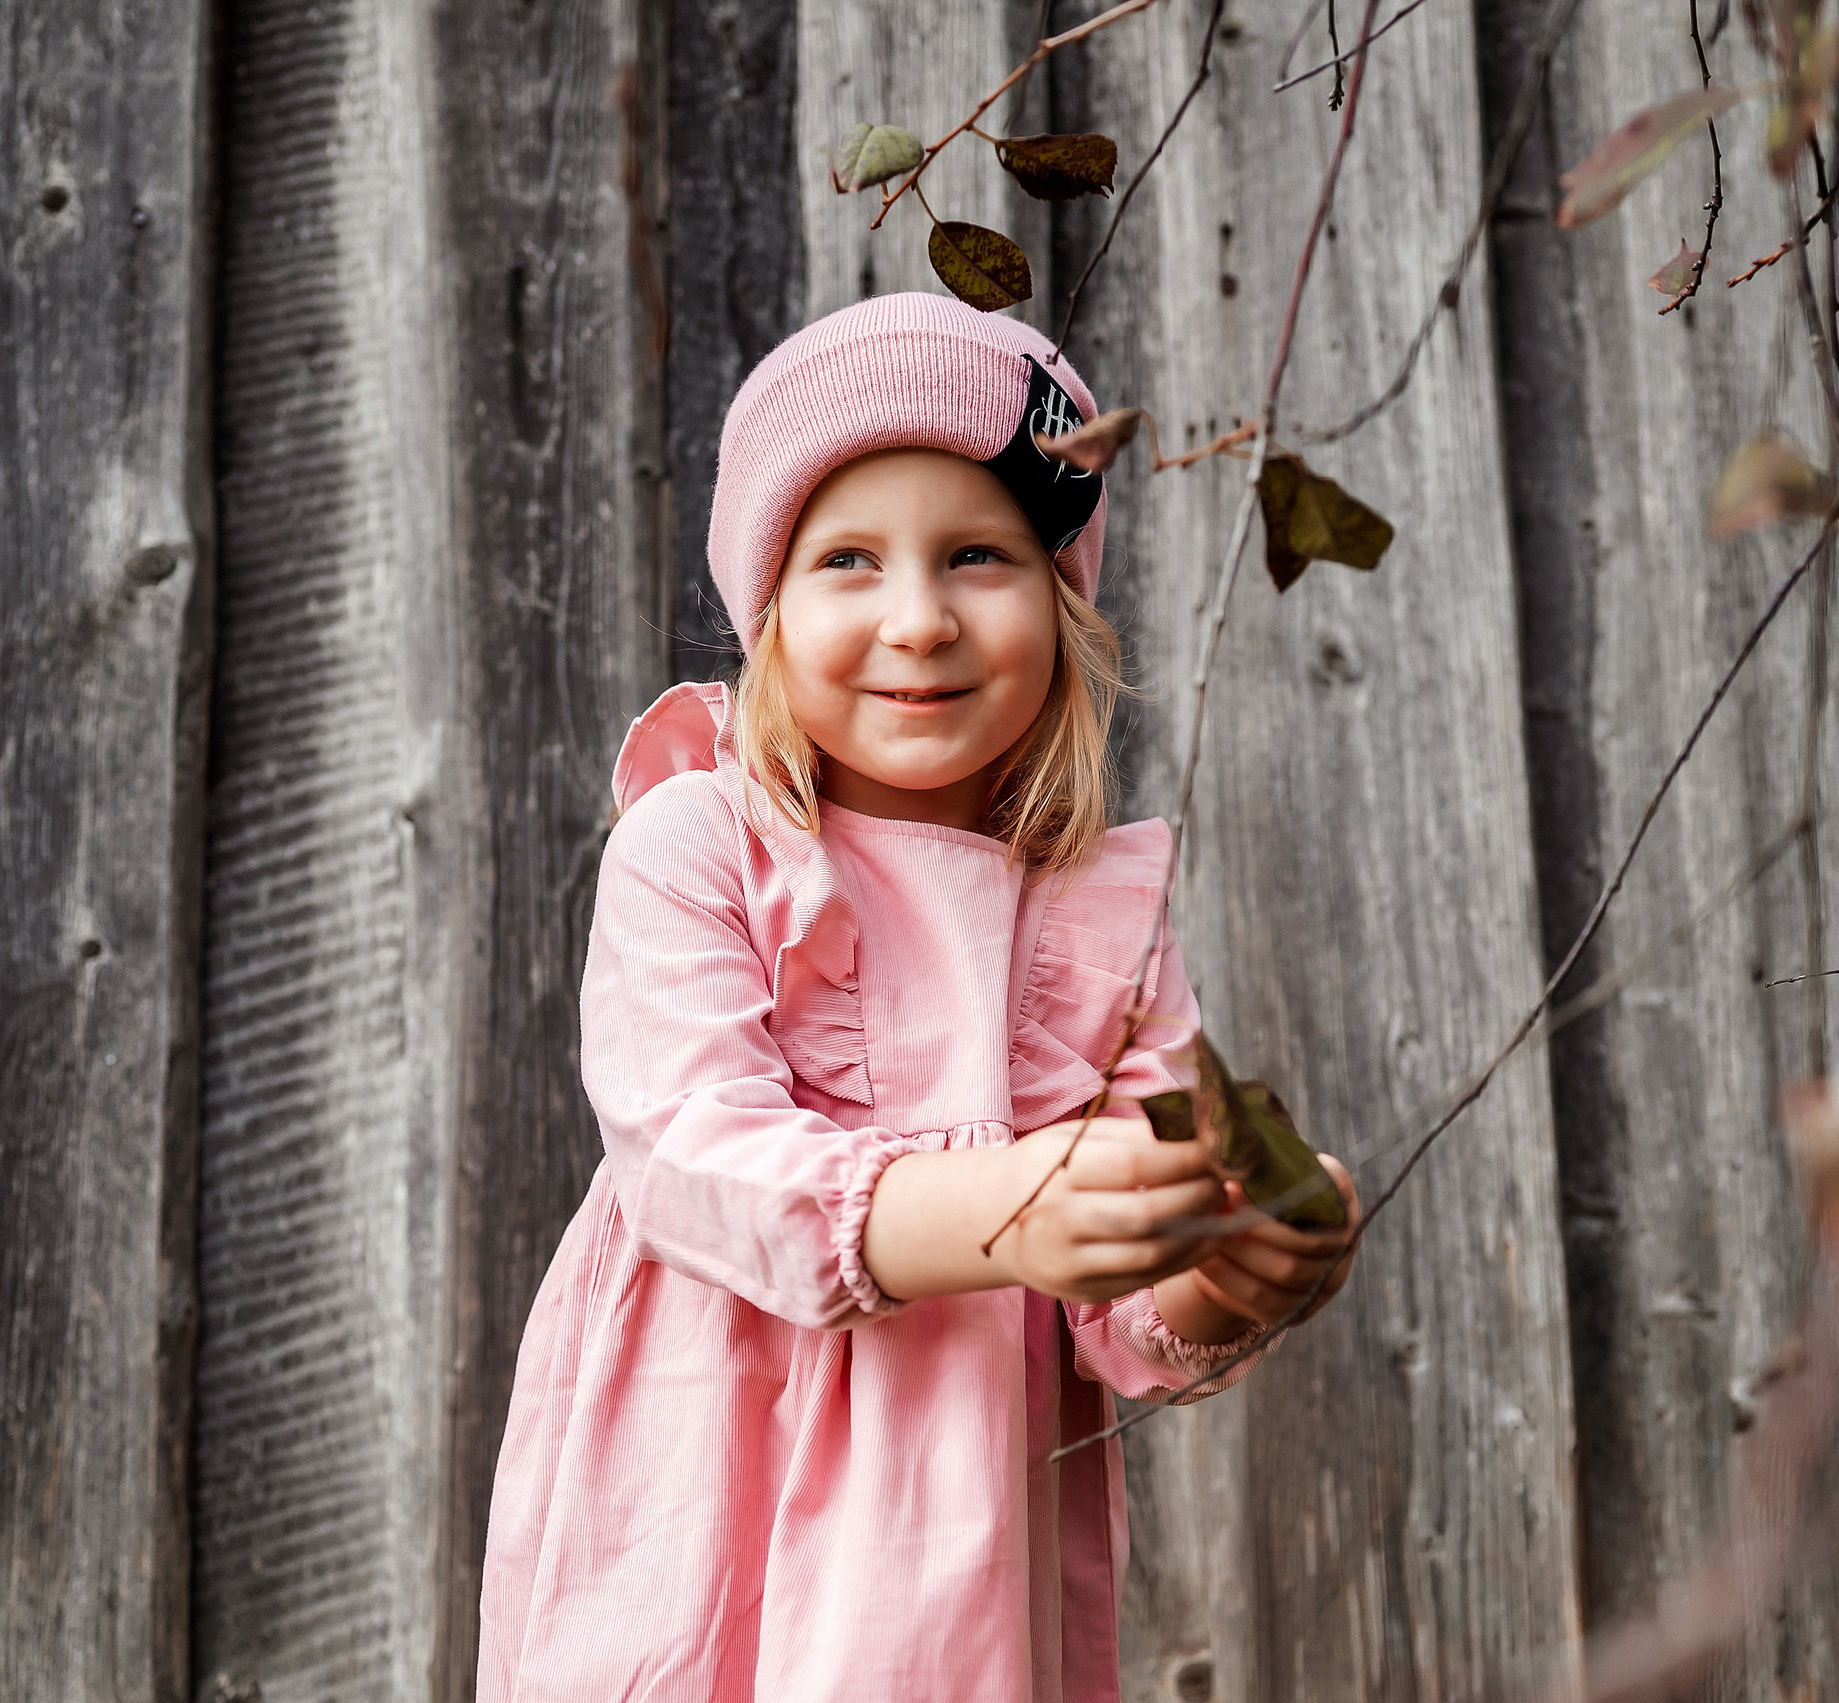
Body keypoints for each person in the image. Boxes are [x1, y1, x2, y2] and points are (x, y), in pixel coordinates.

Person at [476, 293, 1359, 1702]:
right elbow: (687, 1152)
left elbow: (1120, 1297)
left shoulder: (1090, 917)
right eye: (846, 560)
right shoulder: (701, 844)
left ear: (1063, 594)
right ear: (768, 611)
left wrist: (1221, 1259)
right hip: (713, 1472)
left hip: (964, 1525)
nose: (918, 618)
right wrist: (1009, 1204)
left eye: (976, 556)